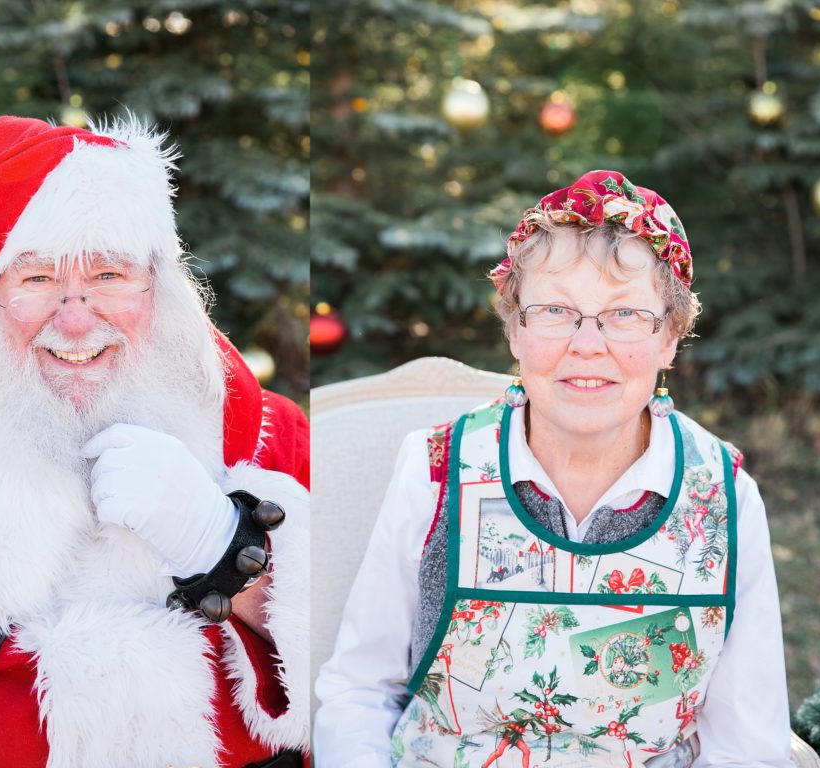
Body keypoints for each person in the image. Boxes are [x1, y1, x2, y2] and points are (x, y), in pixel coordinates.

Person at [0, 114, 309, 768]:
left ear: (160, 284)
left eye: (108, 277)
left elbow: (362, 666)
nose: (73, 320)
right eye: (36, 279)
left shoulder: (268, 432)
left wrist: (226, 547)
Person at [314, 171, 792, 767]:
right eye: (554, 310)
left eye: (625, 314)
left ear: (670, 338)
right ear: (515, 328)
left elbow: (747, 746)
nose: (587, 343)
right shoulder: (436, 471)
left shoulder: (722, 498)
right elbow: (359, 692)